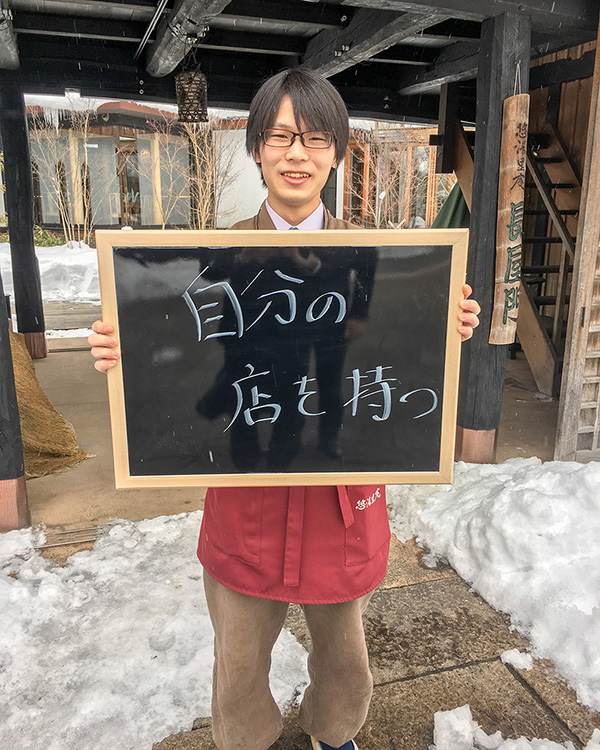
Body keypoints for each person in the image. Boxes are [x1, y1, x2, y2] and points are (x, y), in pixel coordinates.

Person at [89, 68, 480, 750]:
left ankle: (335, 735)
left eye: (316, 138)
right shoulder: (210, 255)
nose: (297, 153)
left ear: (337, 151)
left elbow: (387, 339)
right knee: (237, 669)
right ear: (257, 149)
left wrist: (440, 323)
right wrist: (126, 345)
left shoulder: (381, 255)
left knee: (347, 664)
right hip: (247, 482)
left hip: (341, 481)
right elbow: (176, 342)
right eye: (279, 136)